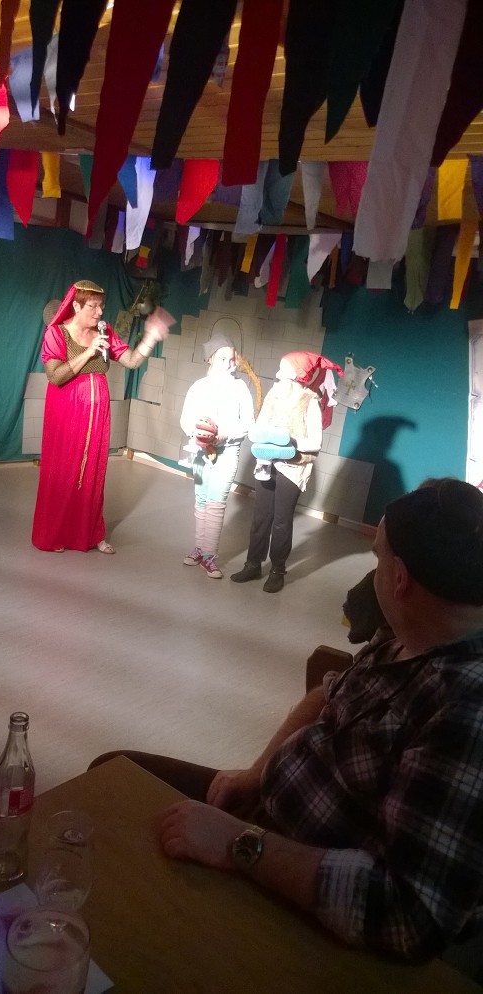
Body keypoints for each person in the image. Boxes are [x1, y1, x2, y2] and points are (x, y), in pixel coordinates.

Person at [149, 479, 483, 962]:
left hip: (293, 882)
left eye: (377, 557)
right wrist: (257, 773)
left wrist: (240, 843)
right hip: (265, 817)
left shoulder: (466, 709)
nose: (371, 573)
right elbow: (326, 694)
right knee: (119, 769)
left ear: (399, 579)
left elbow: (407, 916)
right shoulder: (412, 634)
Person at [32, 279, 169, 553]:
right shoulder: (56, 334)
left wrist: (150, 338)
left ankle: (91, 533)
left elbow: (131, 361)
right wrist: (89, 352)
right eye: (93, 306)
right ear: (76, 306)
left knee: (93, 472)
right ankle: (55, 534)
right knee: (64, 471)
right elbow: (55, 376)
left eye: (101, 306)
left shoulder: (104, 331)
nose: (99, 312)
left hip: (97, 413)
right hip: (67, 410)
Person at [231, 351, 330, 593]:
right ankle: (253, 564)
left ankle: (277, 570)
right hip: (267, 463)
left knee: (282, 521)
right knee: (260, 517)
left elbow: (315, 442)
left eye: (284, 367)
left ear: (298, 373)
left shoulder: (310, 401)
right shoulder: (274, 395)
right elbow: (261, 425)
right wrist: (260, 435)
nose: (278, 372)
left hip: (292, 467)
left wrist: (288, 443)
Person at [179, 334, 254, 578]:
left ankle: (210, 556)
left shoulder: (240, 387)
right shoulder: (199, 387)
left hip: (228, 451)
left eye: (232, 359)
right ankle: (200, 549)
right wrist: (197, 434)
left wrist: (223, 435)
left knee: (216, 502)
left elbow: (248, 423)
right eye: (223, 358)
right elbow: (186, 419)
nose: (229, 364)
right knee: (201, 500)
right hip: (200, 452)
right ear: (210, 358)